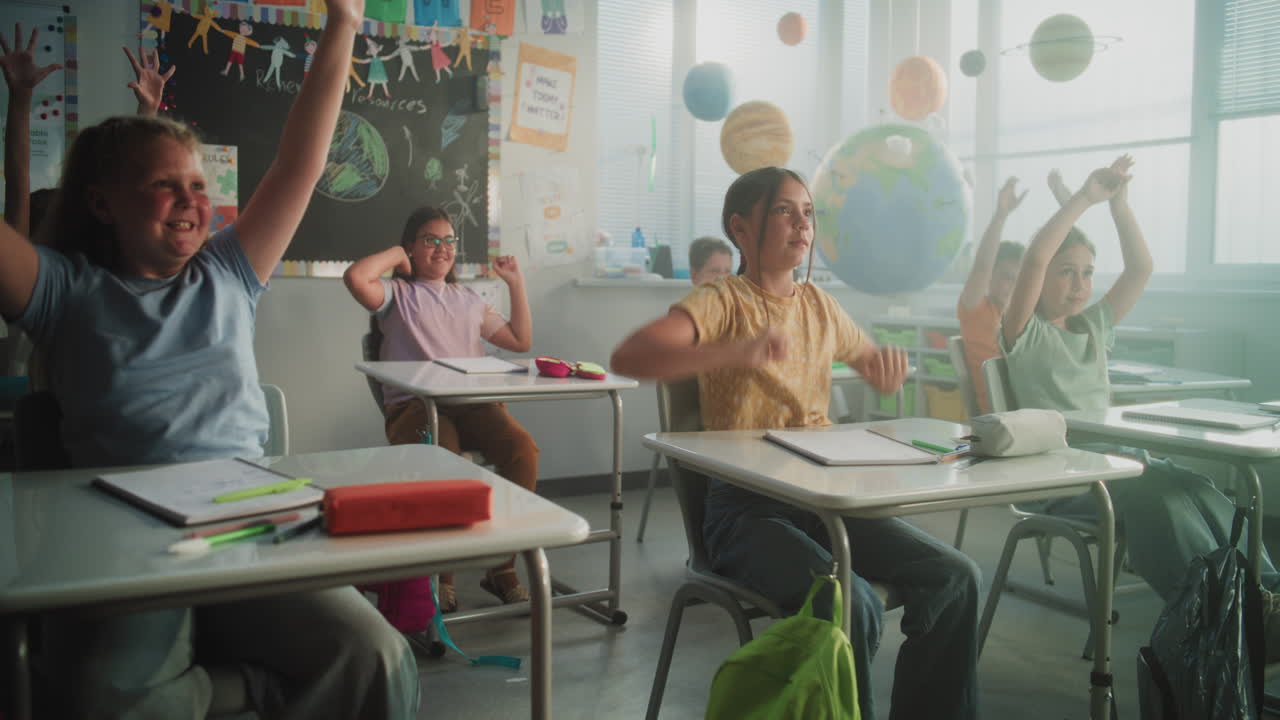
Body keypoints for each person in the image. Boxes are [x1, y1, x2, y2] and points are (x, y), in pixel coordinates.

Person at [0, 1, 422, 716]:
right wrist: (18, 109)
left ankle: (250, 686)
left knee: (375, 654)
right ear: (103, 203)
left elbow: (303, 160)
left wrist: (344, 22)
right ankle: (255, 690)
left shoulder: (228, 271)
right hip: (127, 538)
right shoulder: (64, 291)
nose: (191, 201)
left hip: (249, 522)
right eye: (165, 184)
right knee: (103, 699)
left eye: (198, 185)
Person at [611, 166, 981, 720]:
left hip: (824, 500)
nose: (802, 224)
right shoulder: (722, 299)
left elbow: (867, 360)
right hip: (745, 514)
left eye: (808, 212)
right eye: (784, 210)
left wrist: (883, 371)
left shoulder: (820, 305)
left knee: (957, 577)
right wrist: (732, 352)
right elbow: (630, 357)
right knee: (848, 602)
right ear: (741, 228)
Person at [999, 155, 1280, 657]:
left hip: (1123, 461)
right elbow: (1036, 257)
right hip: (1063, 476)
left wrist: (1121, 207)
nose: (1080, 283)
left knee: (1197, 486)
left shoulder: (1093, 328)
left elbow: (1141, 268)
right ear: (1040, 279)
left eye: (1086, 272)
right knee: (1158, 496)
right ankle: (1215, 609)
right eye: (1066, 273)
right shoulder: (1025, 333)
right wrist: (1083, 198)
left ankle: (1265, 595)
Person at [344, 206, 538, 614]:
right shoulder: (396, 295)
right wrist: (397, 256)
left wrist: (516, 283)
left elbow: (521, 340)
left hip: (469, 404)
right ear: (411, 247)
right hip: (414, 407)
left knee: (523, 450)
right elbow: (356, 277)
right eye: (430, 240)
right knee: (447, 462)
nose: (442, 248)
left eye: (449, 240)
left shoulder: (468, 299)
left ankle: (502, 569)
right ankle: (442, 576)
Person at [956, 177, 1025, 413]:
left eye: (1018, 279)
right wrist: (1001, 215)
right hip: (1001, 414)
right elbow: (982, 266)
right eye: (1006, 277)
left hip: (1029, 406)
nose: (1012, 285)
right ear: (991, 279)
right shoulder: (976, 309)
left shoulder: (1024, 316)